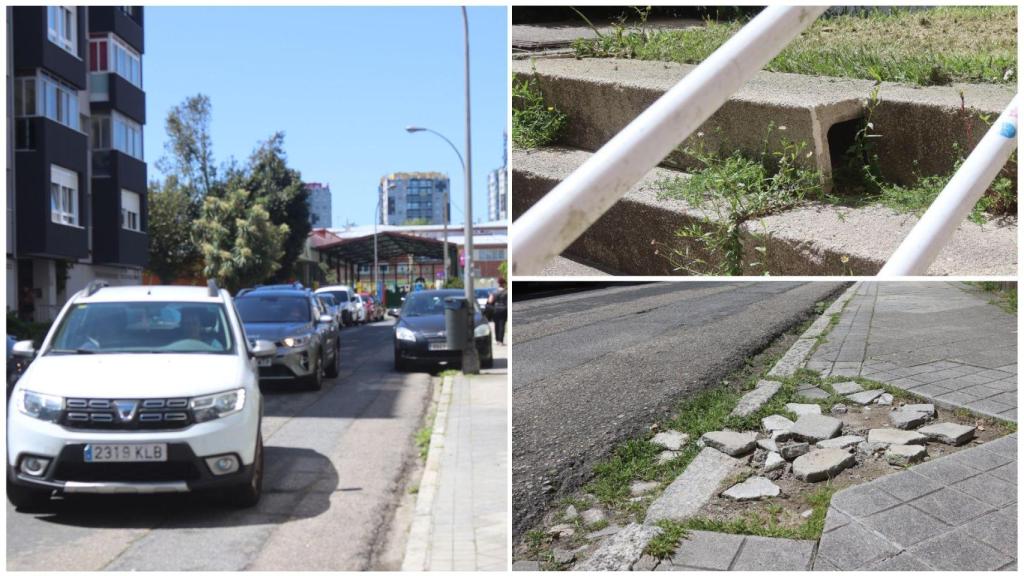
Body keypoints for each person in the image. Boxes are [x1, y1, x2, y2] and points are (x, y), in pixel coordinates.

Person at [488, 277, 508, 345]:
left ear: (498, 284)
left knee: (496, 325)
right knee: (502, 325)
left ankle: (497, 340)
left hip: (495, 310)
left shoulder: (494, 291)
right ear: (504, 284)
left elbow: (490, 301)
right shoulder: (507, 291)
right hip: (504, 309)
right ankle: (501, 341)